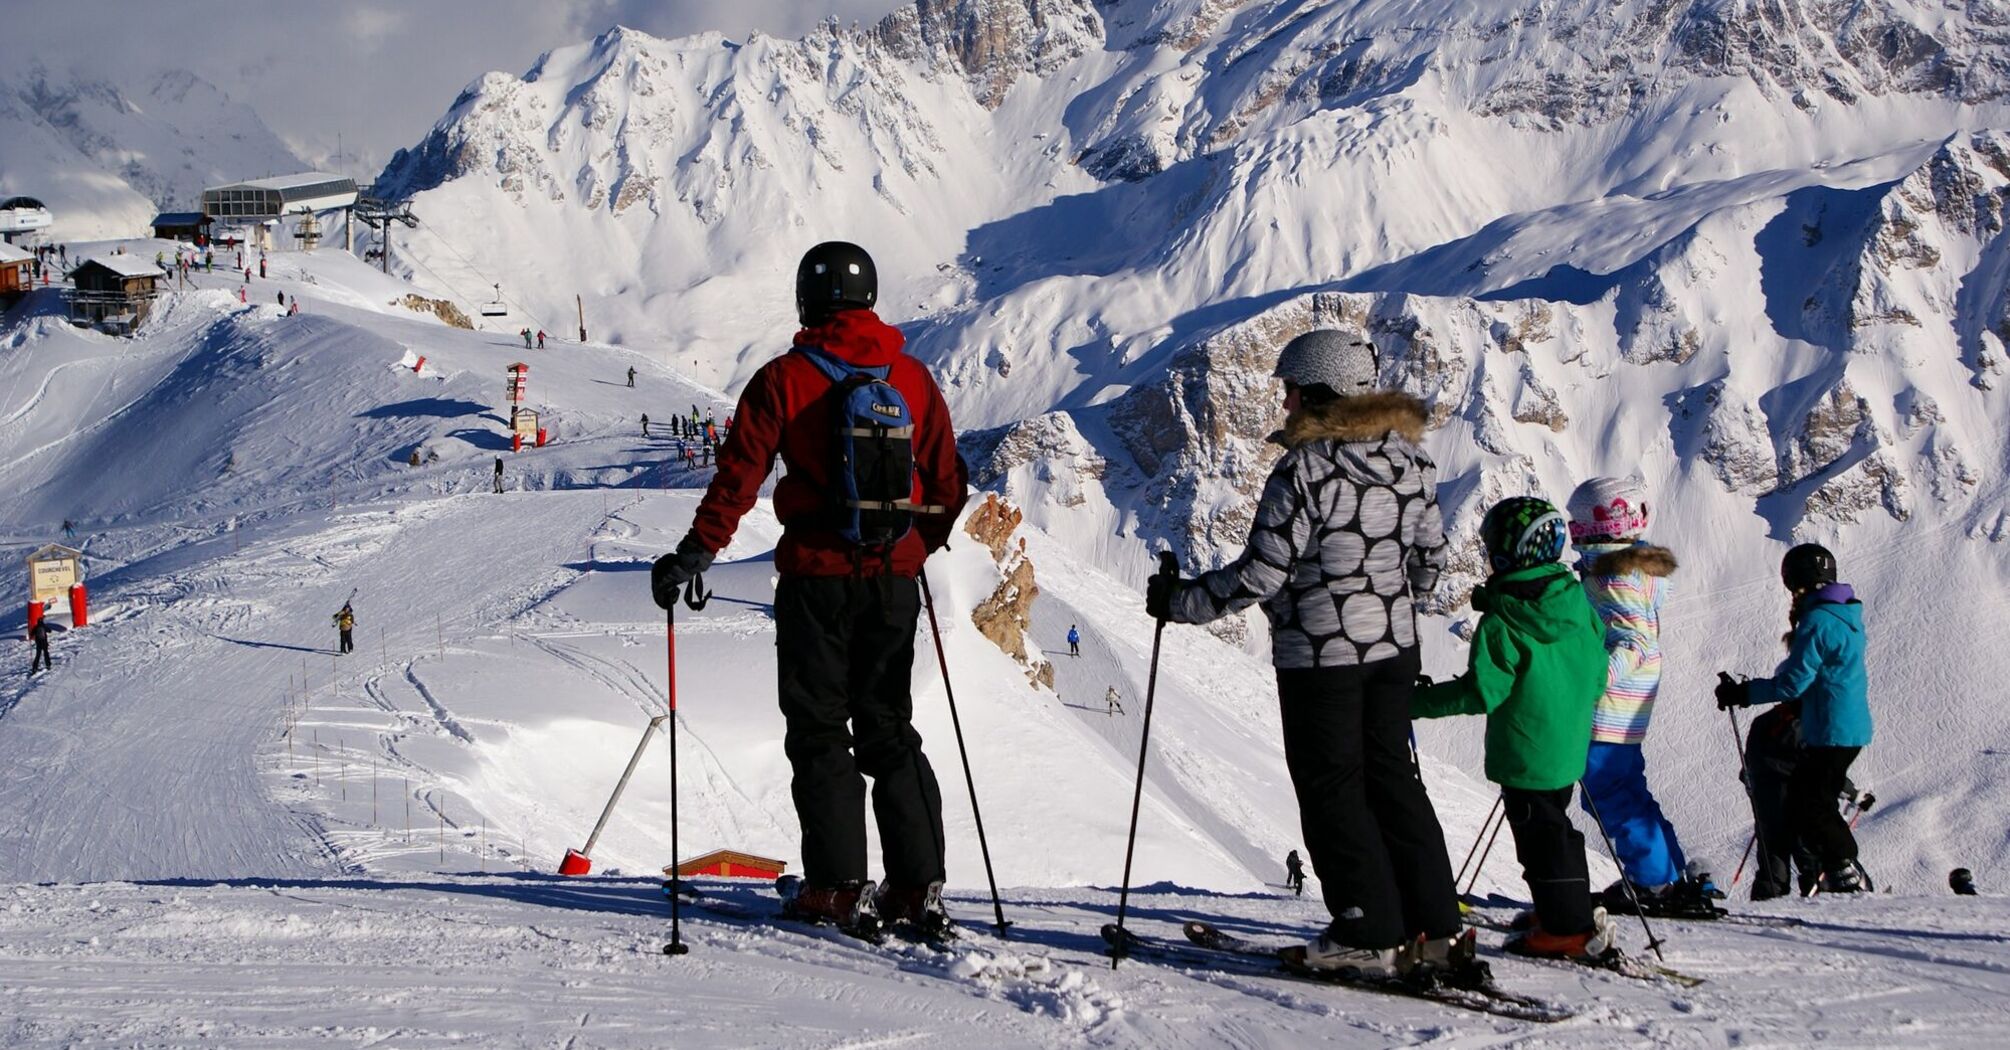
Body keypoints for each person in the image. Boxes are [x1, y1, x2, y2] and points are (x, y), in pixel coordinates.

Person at [651, 241, 967, 939]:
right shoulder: (912, 378)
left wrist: (695, 554)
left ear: (806, 301)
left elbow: (738, 477)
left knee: (821, 731)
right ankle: (917, 890)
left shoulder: (783, 380)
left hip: (814, 584)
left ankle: (836, 887)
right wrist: (913, 548)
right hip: (893, 582)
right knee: (890, 730)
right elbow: (949, 484)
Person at [1146, 328, 1470, 981]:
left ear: (1321, 393)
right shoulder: (1409, 462)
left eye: (1293, 392)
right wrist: (1392, 610)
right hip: (1394, 652)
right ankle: (1439, 930)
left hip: (1322, 658)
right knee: (1394, 782)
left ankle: (1367, 929)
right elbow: (1432, 561)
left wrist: (1178, 602)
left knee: (1333, 790)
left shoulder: (1307, 470)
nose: (1286, 405)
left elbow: (1261, 575)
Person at [1411, 496, 1616, 963]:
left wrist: (1415, 703)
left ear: (1506, 554)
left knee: (1540, 843)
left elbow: (1481, 693)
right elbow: (1598, 667)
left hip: (1525, 754)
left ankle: (1566, 929)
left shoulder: (1504, 621)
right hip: (1567, 746)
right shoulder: (1576, 602)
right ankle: (1560, 910)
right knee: (1556, 830)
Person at [1565, 477, 1714, 917]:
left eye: (1579, 519)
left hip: (1608, 706)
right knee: (1626, 788)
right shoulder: (1631, 572)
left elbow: (1633, 641)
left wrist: (1590, 680)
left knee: (1608, 791)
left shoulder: (1613, 576)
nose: (1573, 528)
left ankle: (1651, 881)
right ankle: (1666, 871)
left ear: (1600, 523)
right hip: (1630, 704)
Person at [1716, 544, 1872, 894]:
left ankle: (1844, 869)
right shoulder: (1844, 615)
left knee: (1810, 802)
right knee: (1813, 798)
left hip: (1830, 727)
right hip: (1845, 724)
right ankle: (1837, 871)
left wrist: (1743, 693)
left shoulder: (1817, 621)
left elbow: (1793, 682)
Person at [1741, 703, 1820, 899]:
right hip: (1800, 803)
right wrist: (1852, 793)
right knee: (1811, 861)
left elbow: (1746, 768)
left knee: (1772, 865)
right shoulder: (1805, 726)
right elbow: (1822, 767)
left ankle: (1763, 908)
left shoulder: (1761, 723)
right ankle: (1819, 908)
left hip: (1765, 804)